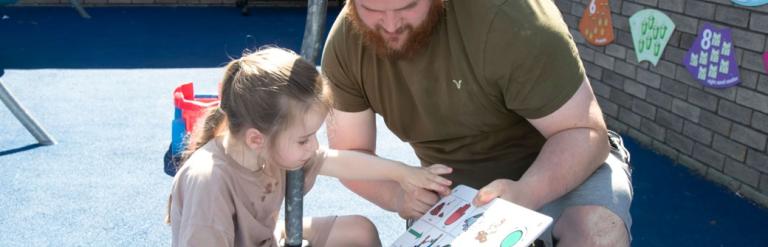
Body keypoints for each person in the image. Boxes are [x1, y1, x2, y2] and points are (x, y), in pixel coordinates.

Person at [320, 0, 633, 246]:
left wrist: (526, 192)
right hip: (454, 192)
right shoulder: (346, 43)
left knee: (596, 233)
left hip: (558, 169)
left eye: (408, 7)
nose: (389, 24)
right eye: (371, 8)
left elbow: (584, 133)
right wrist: (397, 196)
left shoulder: (512, 16)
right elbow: (352, 155)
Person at [165, 47, 453, 247]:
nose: (314, 145)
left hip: (267, 238)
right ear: (256, 138)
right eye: (304, 139)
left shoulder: (268, 148)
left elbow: (335, 160)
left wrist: (403, 173)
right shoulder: (208, 184)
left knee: (360, 231)